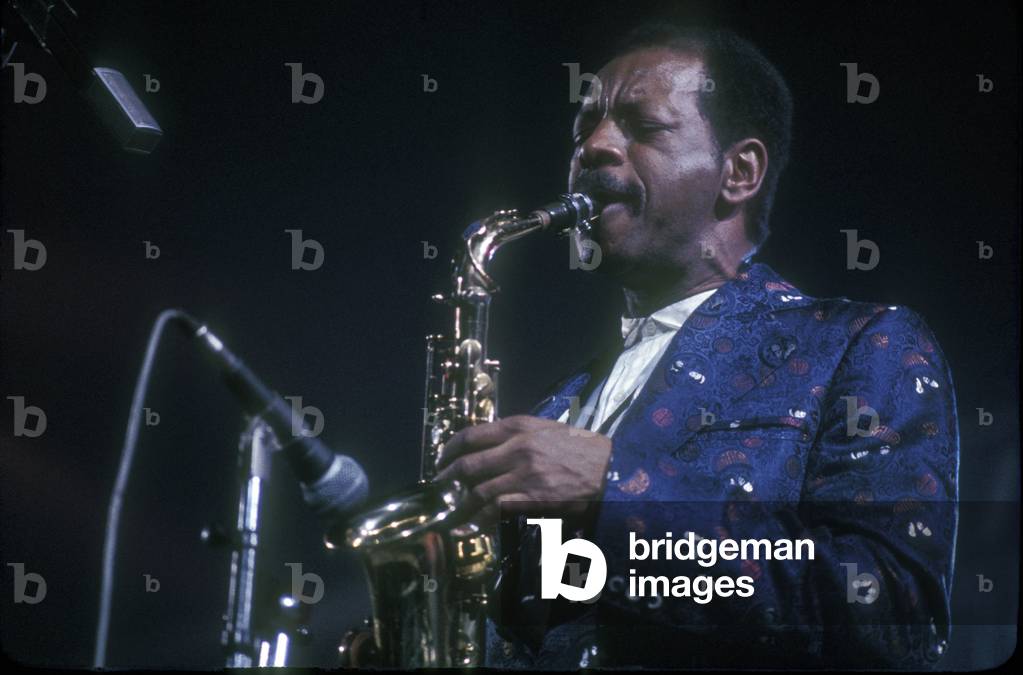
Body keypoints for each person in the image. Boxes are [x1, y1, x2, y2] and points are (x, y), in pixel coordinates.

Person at [435, 23, 959, 669]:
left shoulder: (858, 340)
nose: (594, 146)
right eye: (584, 130)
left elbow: (894, 615)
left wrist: (616, 489)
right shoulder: (558, 409)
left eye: (642, 125)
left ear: (737, 172)